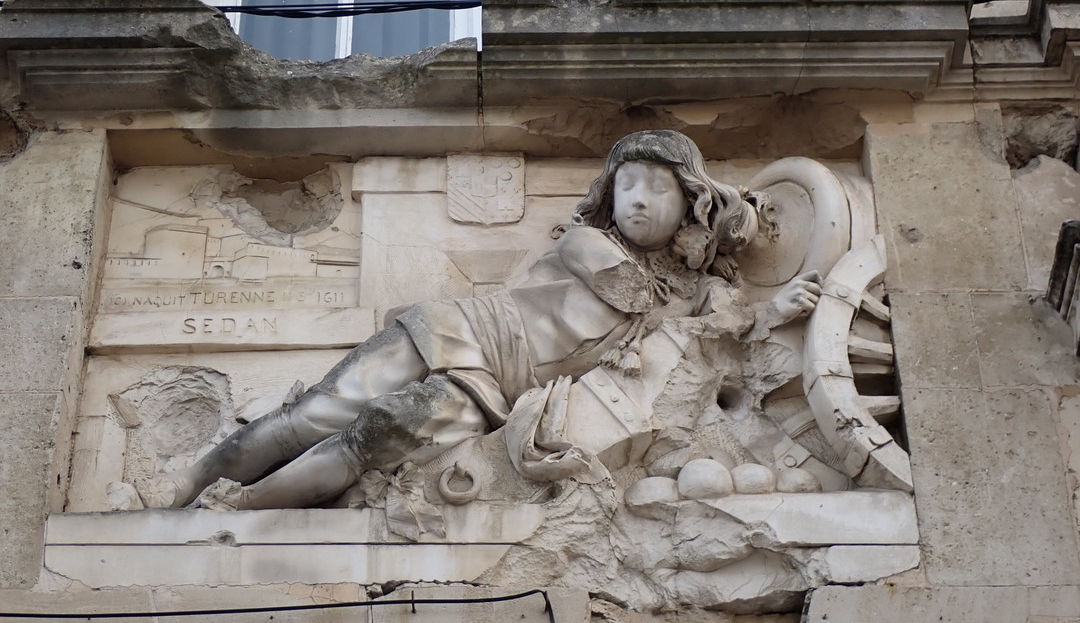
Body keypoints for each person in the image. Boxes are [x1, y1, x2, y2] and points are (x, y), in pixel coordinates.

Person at [136, 130, 820, 510]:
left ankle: (239, 509)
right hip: (460, 329)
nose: (640, 199)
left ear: (688, 200)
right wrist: (724, 222)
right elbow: (641, 296)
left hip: (493, 390)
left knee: (366, 442)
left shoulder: (683, 298)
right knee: (317, 413)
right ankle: (188, 483)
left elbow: (712, 343)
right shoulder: (588, 243)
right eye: (628, 185)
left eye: (661, 187)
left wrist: (768, 310)